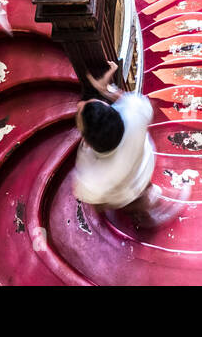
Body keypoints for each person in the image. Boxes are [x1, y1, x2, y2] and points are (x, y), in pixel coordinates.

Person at [72, 61, 187, 229]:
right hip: (145, 163)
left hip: (125, 193)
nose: (79, 104)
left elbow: (91, 198)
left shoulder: (91, 175)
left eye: (79, 112)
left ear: (87, 142)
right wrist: (107, 90)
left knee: (129, 202)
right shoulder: (134, 111)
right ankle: (154, 198)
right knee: (141, 185)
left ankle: (144, 212)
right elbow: (131, 102)